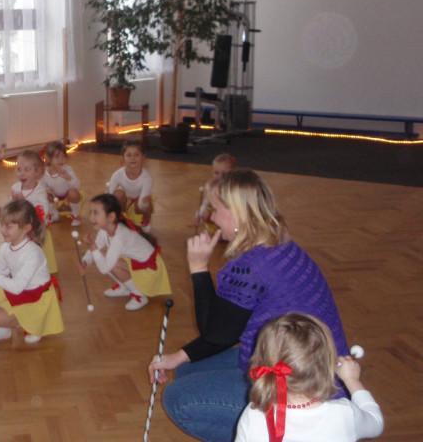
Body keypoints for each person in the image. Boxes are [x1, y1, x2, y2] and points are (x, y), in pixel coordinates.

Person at [147, 169, 349, 442]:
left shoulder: (251, 266)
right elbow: (230, 325)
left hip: (305, 392)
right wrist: (178, 357)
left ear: (237, 213)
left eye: (215, 209)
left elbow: (215, 332)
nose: (211, 218)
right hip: (310, 366)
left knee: (177, 399)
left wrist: (198, 268)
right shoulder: (276, 244)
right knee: (185, 369)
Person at [235, 313, 383, 442]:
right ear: (327, 367)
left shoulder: (254, 416)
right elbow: (376, 422)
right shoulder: (343, 414)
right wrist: (352, 380)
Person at [0, 199, 64, 347]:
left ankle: (33, 324)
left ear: (26, 228)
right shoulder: (5, 247)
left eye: (8, 226)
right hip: (19, 290)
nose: (2, 230)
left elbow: (16, 287)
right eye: (2, 224)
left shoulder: (33, 253)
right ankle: (4, 330)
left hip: (35, 298)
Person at [79, 194, 171, 311]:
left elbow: (104, 268)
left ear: (111, 217)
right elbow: (98, 245)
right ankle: (125, 287)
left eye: (96, 213)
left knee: (109, 263)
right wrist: (85, 261)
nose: (91, 217)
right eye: (90, 212)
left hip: (149, 270)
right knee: (104, 255)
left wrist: (92, 246)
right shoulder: (106, 229)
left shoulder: (120, 236)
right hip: (135, 263)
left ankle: (139, 296)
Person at [0, 150, 60, 295]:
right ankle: (12, 264)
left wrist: (24, 202)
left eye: (27, 170)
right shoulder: (15, 188)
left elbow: (42, 212)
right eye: (19, 169)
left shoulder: (40, 191)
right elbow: (12, 208)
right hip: (21, 226)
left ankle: (27, 267)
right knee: (12, 235)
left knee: (23, 241)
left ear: (38, 172)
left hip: (36, 227)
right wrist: (1, 209)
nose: (22, 173)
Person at [107, 140, 154, 232]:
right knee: (117, 195)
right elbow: (110, 196)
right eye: (129, 155)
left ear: (143, 158)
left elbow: (142, 201)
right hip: (125, 201)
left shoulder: (147, 178)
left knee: (146, 202)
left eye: (136, 155)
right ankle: (122, 219)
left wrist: (143, 205)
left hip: (138, 201)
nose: (133, 158)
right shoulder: (117, 175)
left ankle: (145, 222)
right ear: (123, 159)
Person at [42, 140, 82, 226]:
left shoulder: (68, 169)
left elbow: (77, 186)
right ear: (49, 159)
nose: (61, 160)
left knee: (73, 193)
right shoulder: (44, 173)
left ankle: (75, 215)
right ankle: (53, 213)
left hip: (67, 196)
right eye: (57, 157)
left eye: (63, 156)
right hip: (54, 197)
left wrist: (69, 178)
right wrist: (47, 190)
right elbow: (42, 185)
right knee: (45, 195)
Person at [196, 153, 237, 232]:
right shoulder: (211, 186)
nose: (220, 177)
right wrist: (200, 214)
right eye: (216, 173)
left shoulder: (235, 188)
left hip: (230, 221)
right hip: (214, 222)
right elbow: (205, 203)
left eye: (225, 174)